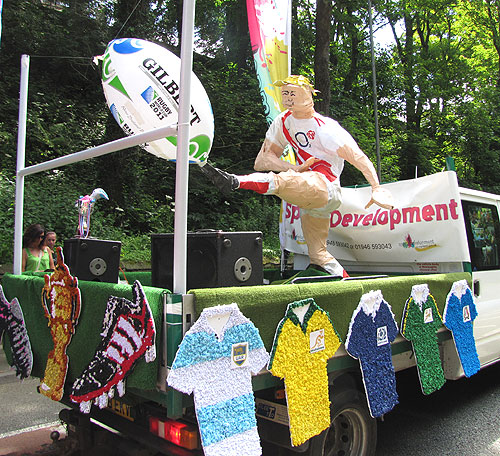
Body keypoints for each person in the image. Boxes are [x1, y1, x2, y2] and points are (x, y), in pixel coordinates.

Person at [200, 75, 393, 277]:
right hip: (309, 193)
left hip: (325, 187)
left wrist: (376, 187)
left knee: (284, 181)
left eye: (292, 93)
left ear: (308, 95)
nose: (288, 98)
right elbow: (262, 161)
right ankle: (342, 279)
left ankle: (235, 181)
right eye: (285, 94)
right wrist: (294, 167)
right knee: (318, 253)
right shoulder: (283, 122)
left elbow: (358, 157)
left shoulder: (326, 129)